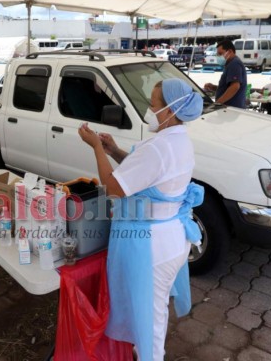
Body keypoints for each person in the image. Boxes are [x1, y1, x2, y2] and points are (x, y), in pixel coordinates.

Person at [78, 78, 204, 361]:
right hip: (172, 235)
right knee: (152, 307)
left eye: (152, 104)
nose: (149, 109)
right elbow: (147, 176)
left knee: (151, 314)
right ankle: (144, 350)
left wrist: (96, 148)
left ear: (170, 110)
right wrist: (114, 151)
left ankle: (151, 355)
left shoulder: (159, 147)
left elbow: (113, 187)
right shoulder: (177, 139)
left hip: (154, 245)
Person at [203, 40, 247, 108]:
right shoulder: (230, 64)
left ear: (229, 51)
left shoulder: (234, 64)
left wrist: (217, 103)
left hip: (232, 109)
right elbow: (229, 86)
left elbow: (235, 86)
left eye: (220, 54)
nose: (218, 57)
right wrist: (214, 87)